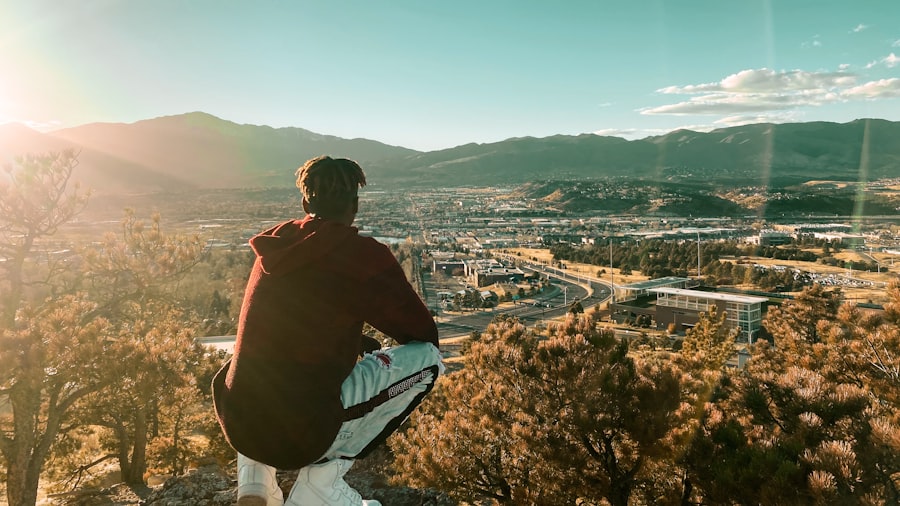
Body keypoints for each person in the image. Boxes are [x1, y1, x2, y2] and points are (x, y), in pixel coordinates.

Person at [212, 155, 443, 506]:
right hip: (302, 436)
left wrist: (348, 338)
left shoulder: (273, 248)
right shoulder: (362, 255)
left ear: (306, 204)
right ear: (355, 205)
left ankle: (255, 479)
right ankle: (320, 484)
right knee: (429, 361)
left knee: (257, 356)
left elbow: (297, 320)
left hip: (240, 424)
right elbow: (422, 334)